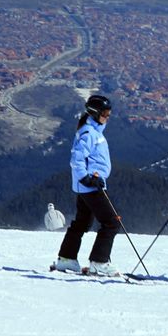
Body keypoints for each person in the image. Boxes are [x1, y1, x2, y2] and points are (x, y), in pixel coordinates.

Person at [52, 95, 119, 276]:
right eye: (105, 114)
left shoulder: (93, 131)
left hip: (89, 186)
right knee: (111, 222)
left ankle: (66, 258)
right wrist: (86, 178)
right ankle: (99, 262)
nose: (107, 117)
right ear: (95, 113)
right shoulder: (89, 133)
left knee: (82, 222)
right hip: (91, 186)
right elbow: (77, 159)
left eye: (109, 113)